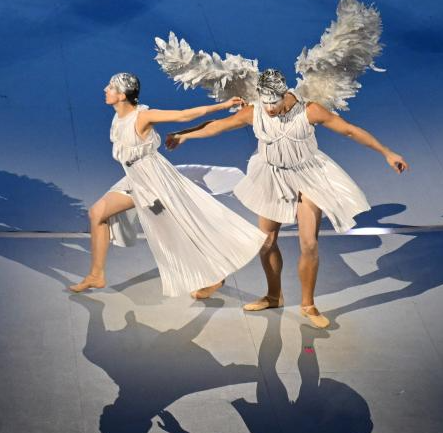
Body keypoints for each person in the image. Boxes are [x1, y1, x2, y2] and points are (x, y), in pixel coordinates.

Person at [166, 69, 408, 327]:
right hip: (272, 176)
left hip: (308, 178)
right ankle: (274, 296)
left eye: (274, 102)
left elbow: (349, 130)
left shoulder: (310, 111)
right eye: (265, 102)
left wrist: (387, 152)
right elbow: (218, 126)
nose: (269, 108)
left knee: (309, 244)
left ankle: (308, 305)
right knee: (267, 241)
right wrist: (184, 134)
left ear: (284, 95)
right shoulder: (255, 112)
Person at [70, 72, 266, 299]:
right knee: (97, 213)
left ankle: (216, 275)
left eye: (111, 87)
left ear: (122, 95)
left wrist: (223, 106)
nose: (106, 89)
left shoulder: (142, 117)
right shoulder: (118, 117)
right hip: (134, 179)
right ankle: (96, 275)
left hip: (154, 183)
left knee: (179, 232)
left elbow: (183, 115)